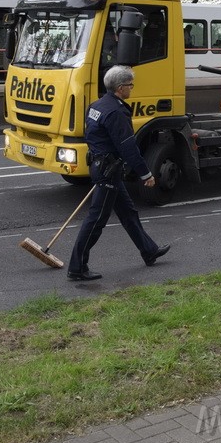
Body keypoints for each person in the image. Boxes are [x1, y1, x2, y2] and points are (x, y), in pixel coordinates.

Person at [67, 65, 170, 281]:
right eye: (130, 85)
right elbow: (128, 147)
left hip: (101, 166)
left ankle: (148, 251)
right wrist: (146, 175)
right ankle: (77, 267)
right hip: (108, 171)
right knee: (96, 219)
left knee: (128, 213)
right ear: (121, 88)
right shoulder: (117, 112)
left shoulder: (96, 106)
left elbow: (91, 136)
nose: (132, 89)